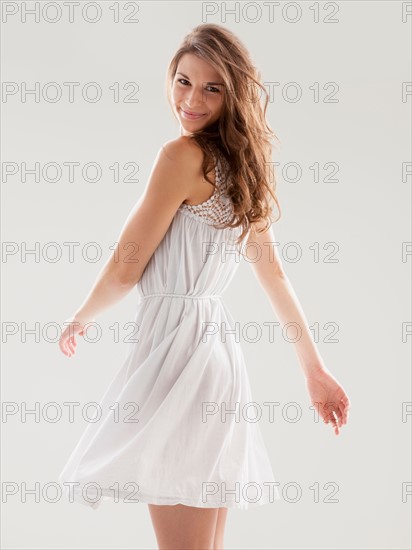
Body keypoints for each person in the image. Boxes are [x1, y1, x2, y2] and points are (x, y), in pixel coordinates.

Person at [58, 23, 350, 550]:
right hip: (215, 359)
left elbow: (127, 265)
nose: (191, 99)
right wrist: (315, 371)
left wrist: (82, 316)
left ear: (232, 94)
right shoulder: (243, 168)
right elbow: (275, 275)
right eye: (183, 80)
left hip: (179, 362)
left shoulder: (181, 157)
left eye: (212, 87)